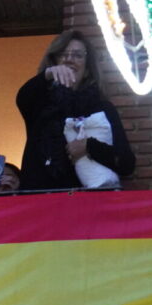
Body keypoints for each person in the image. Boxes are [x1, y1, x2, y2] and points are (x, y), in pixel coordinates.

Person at [16, 30, 135, 190]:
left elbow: (126, 163)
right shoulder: (40, 104)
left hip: (86, 204)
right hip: (40, 202)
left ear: (87, 71)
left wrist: (88, 146)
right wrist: (48, 74)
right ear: (53, 63)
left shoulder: (102, 109)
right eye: (63, 54)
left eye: (78, 55)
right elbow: (22, 98)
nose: (69, 60)